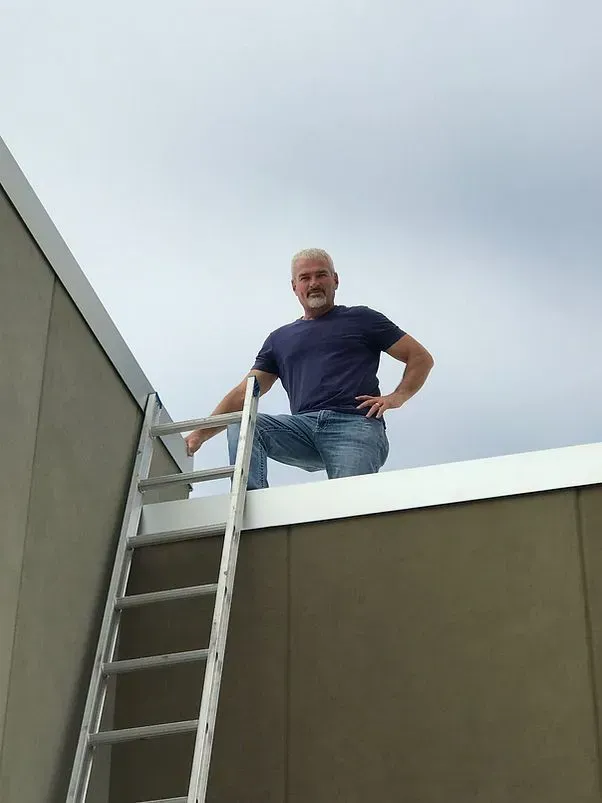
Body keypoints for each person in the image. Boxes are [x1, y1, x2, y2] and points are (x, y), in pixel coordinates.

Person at [185, 248, 434, 489]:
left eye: (321, 275)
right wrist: (200, 434)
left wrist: (396, 397)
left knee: (351, 505)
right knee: (243, 424)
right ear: (294, 287)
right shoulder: (279, 339)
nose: (313, 283)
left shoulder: (362, 319)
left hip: (355, 425)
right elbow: (245, 393)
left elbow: (420, 357)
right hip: (303, 428)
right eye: (305, 277)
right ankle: (251, 505)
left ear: (335, 280)